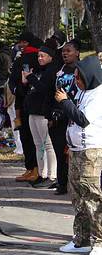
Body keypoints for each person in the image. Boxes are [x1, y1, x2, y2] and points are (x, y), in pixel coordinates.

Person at [55, 55, 102, 255]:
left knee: (92, 195)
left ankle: (99, 240)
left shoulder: (98, 95)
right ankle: (81, 239)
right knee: (77, 196)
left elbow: (83, 120)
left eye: (79, 78)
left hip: (91, 152)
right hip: (76, 151)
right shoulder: (84, 92)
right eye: (75, 77)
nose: (76, 81)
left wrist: (65, 102)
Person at [21, 44, 59, 187]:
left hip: (44, 113)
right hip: (33, 112)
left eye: (43, 56)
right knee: (38, 144)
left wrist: (31, 78)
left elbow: (44, 89)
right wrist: (27, 79)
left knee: (48, 144)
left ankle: (52, 175)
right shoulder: (37, 71)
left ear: (51, 57)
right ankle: (42, 173)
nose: (40, 58)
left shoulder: (52, 71)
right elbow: (30, 88)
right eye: (38, 56)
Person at [50, 39, 81, 195]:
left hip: (74, 116)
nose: (65, 53)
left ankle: (74, 184)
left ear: (77, 52)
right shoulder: (59, 70)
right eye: (63, 51)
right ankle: (61, 184)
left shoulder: (82, 70)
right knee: (59, 152)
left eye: (69, 51)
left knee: (72, 153)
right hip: (58, 117)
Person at [10, 32, 42, 183]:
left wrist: (19, 88)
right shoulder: (22, 58)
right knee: (29, 138)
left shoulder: (26, 59)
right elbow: (13, 81)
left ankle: (35, 169)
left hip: (28, 104)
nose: (21, 45)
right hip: (26, 103)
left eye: (24, 42)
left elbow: (14, 81)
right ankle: (32, 168)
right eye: (20, 42)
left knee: (31, 138)